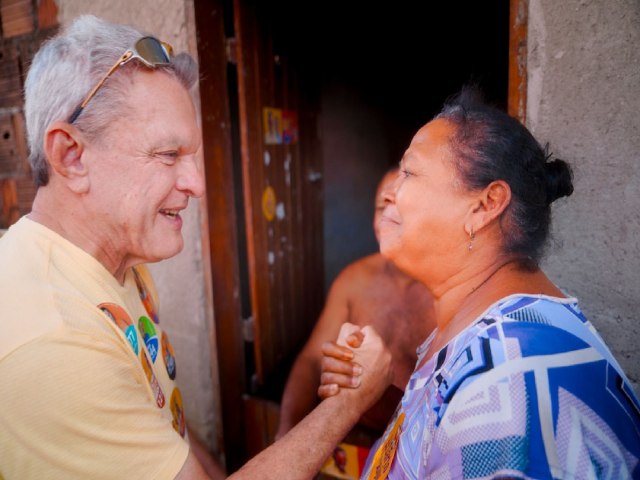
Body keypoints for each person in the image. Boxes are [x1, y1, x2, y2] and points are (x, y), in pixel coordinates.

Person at [0, 15, 393, 480]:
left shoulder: (116, 265)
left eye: (192, 156)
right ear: (72, 155)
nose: (197, 184)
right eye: (168, 155)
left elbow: (164, 433)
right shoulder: (56, 343)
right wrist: (349, 402)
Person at [320, 86, 640, 478]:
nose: (389, 193)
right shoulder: (478, 336)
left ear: (485, 206)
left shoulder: (509, 378)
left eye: (409, 171)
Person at [276, 168, 435, 440]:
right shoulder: (353, 280)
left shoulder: (451, 293)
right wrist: (287, 433)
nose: (387, 216)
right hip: (356, 440)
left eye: (400, 205)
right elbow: (312, 360)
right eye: (380, 207)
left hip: (420, 450)